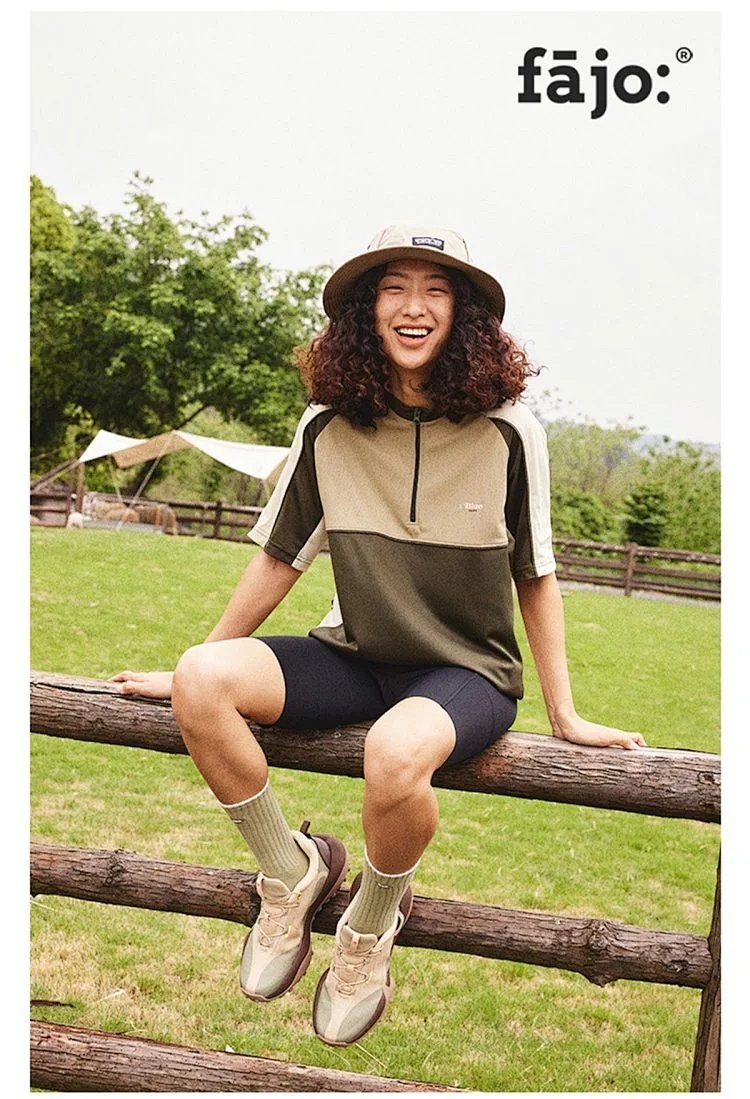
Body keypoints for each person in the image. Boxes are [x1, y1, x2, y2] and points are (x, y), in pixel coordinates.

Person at [113, 224, 646, 1048]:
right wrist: (198, 657)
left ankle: (369, 922)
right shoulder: (328, 423)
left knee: (394, 753)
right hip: (355, 655)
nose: (413, 306)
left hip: (466, 673)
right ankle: (290, 873)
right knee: (201, 678)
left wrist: (566, 713)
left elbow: (536, 573)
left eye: (436, 289)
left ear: (464, 315)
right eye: (394, 287)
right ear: (366, 309)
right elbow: (281, 555)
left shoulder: (512, 429)